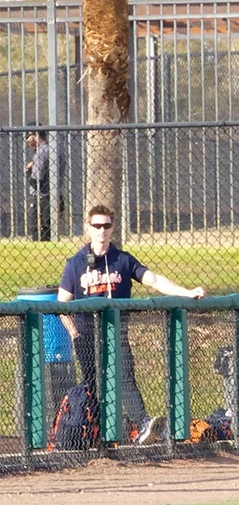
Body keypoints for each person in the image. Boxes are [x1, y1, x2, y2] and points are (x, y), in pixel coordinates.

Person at [57, 204, 208, 444]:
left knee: (125, 377)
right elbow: (62, 304)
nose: (102, 230)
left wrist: (187, 292)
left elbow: (154, 280)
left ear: (113, 228)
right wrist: (74, 333)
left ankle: (143, 425)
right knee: (93, 386)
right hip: (86, 336)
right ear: (89, 228)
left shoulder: (123, 260)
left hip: (116, 332)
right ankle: (95, 435)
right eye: (97, 225)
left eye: (106, 225)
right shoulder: (75, 263)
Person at [24, 129, 55, 241]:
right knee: (48, 232)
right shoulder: (53, 149)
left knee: (38, 233)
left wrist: (28, 170)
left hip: (41, 198)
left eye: (28, 137)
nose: (27, 141)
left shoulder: (40, 154)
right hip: (53, 195)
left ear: (35, 136)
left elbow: (37, 182)